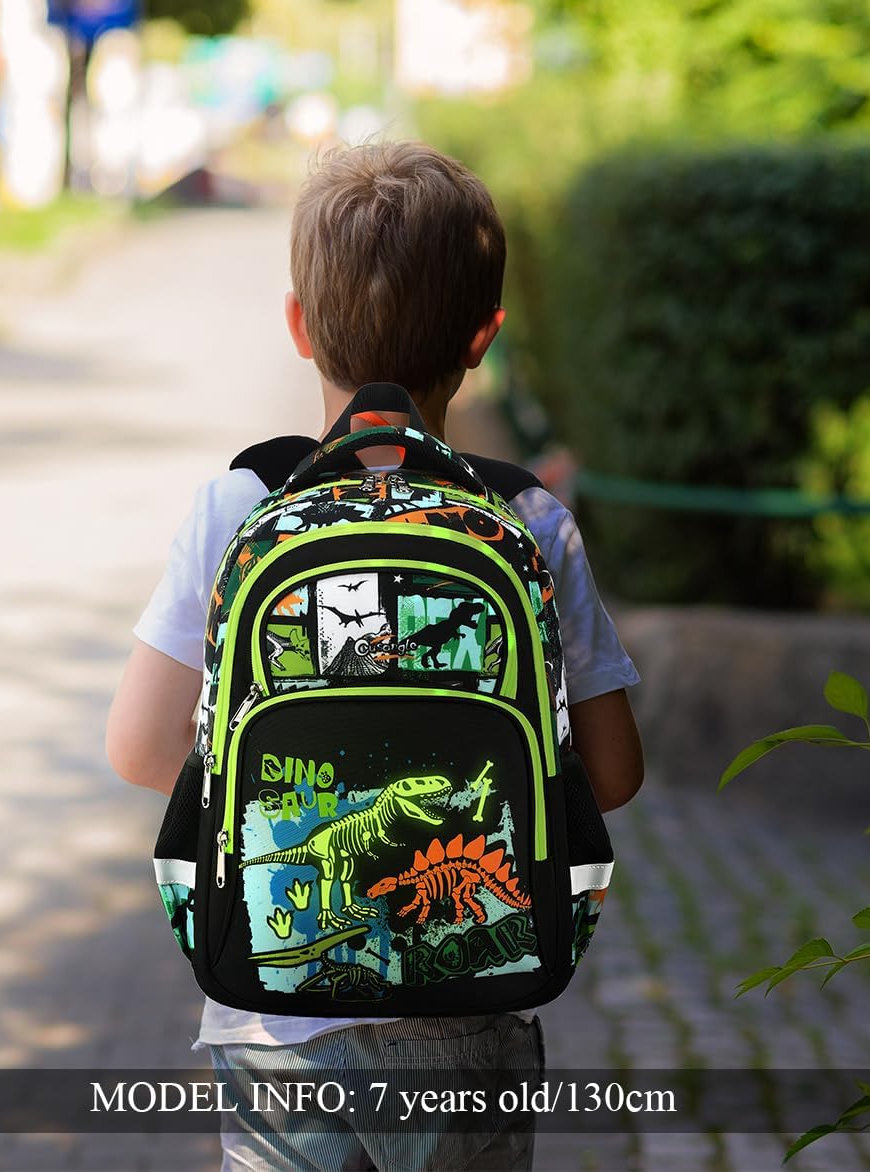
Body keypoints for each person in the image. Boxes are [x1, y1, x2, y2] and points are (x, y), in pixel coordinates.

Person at [106, 140, 644, 1171]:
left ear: (300, 328)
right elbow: (613, 775)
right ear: (483, 337)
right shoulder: (527, 517)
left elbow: (137, 748)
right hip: (473, 994)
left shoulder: (240, 505)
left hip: (269, 1009)